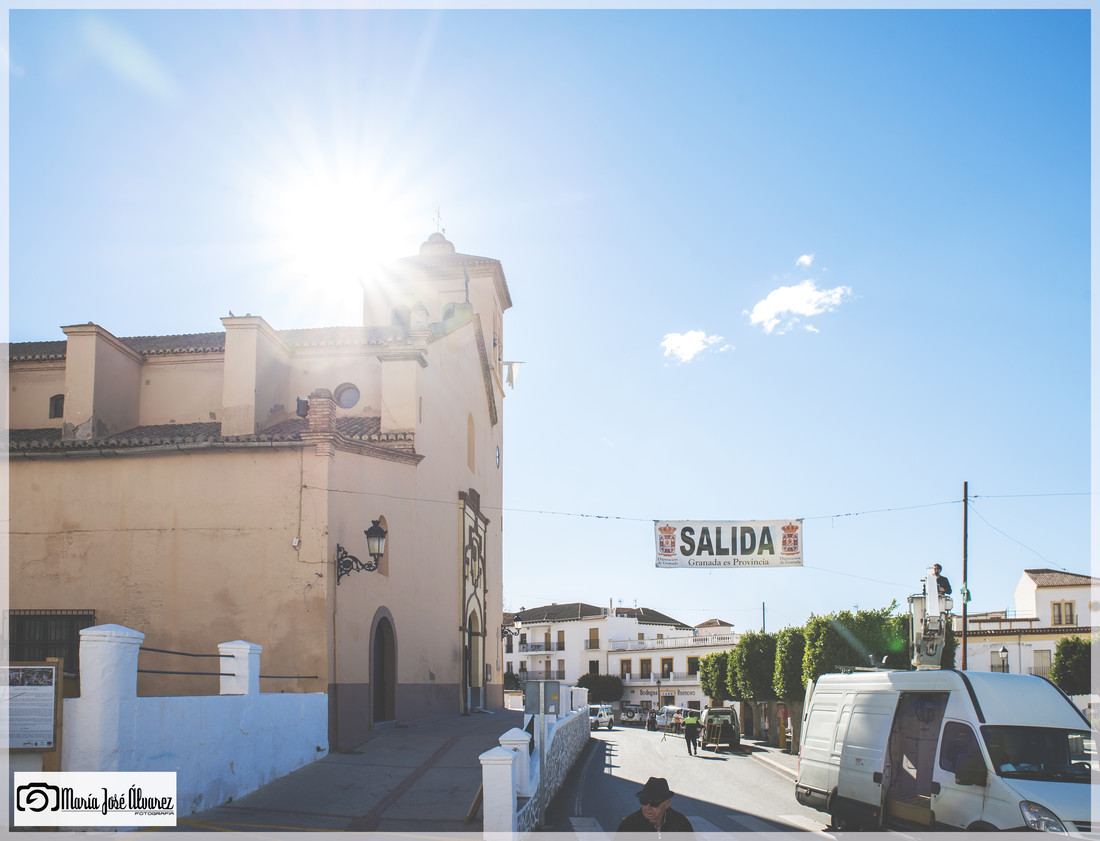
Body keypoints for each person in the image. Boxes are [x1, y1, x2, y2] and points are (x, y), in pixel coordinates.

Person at [616, 777, 693, 834]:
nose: (648, 807)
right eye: (644, 801)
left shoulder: (681, 824)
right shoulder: (629, 826)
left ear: (667, 804)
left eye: (654, 802)